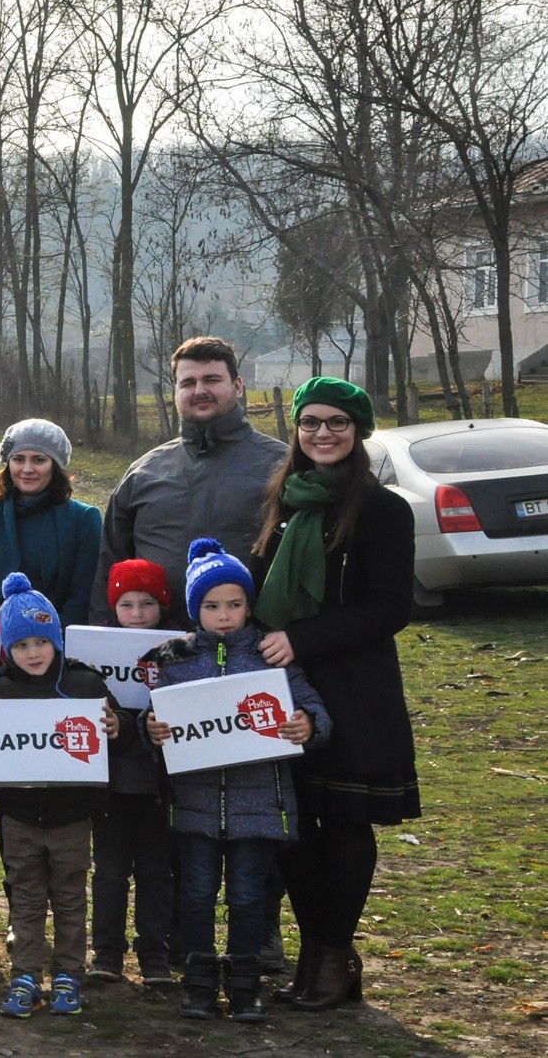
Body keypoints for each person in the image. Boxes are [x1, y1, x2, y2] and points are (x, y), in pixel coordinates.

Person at [250, 376, 418, 1012]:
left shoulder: (383, 509)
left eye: (337, 422)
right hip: (283, 688)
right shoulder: (282, 502)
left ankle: (330, 953)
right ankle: (320, 952)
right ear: (295, 430)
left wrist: (303, 638)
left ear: (359, 430)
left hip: (354, 691)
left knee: (345, 823)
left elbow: (390, 607)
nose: (323, 433)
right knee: (294, 824)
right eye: (311, 422)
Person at [144, 540, 329, 1024]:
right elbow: (158, 717)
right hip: (195, 806)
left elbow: (311, 704)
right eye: (211, 606)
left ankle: (246, 985)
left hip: (260, 805)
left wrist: (307, 723)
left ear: (249, 605)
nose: (224, 615)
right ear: (195, 609)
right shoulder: (173, 659)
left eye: (234, 604)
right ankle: (200, 982)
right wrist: (153, 729)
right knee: (198, 894)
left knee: (249, 895)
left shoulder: (273, 657)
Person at [0, 573, 126, 1021]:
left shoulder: (85, 685)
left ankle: (69, 974)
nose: (33, 653)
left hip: (72, 818)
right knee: (26, 898)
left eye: (42, 642)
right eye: (22, 644)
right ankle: (24, 974)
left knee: (70, 897)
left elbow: (116, 729)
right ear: (7, 649)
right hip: (20, 818)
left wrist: (116, 727)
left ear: (57, 642)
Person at [91, 337, 288, 622]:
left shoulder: (282, 467)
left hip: (254, 653)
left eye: (211, 379)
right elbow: (109, 571)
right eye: (187, 383)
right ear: (175, 392)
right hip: (155, 653)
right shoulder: (143, 473)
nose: (200, 391)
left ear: (238, 385)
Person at [88, 558, 179, 987]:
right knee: (108, 870)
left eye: (147, 603)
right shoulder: (92, 654)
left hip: (163, 785)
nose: (138, 613)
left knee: (156, 871)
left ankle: (154, 952)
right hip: (111, 786)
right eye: (127, 604)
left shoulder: (182, 648)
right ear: (114, 607)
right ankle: (107, 951)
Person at [0, 419, 102, 621]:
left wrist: (49, 643)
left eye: (38, 460)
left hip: (55, 643)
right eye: (18, 459)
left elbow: (82, 597)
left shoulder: (83, 519)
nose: (27, 469)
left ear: (55, 465)